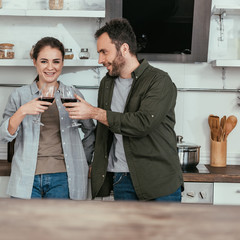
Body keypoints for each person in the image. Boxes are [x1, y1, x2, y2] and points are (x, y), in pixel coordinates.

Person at [63, 18, 183, 201]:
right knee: (125, 232)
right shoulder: (107, 83)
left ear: (124, 49)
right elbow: (105, 129)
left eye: (104, 52)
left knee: (162, 231)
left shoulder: (159, 81)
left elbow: (143, 123)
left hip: (158, 181)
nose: (100, 59)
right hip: (121, 179)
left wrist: (94, 112)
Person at [0, 37, 95, 200]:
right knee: (25, 226)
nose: (50, 67)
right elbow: (3, 135)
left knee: (55, 226)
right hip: (26, 177)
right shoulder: (20, 95)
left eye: (56, 61)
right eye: (44, 61)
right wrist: (22, 111)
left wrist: (81, 159)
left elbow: (90, 130)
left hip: (64, 178)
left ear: (62, 63)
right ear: (35, 62)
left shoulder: (73, 94)